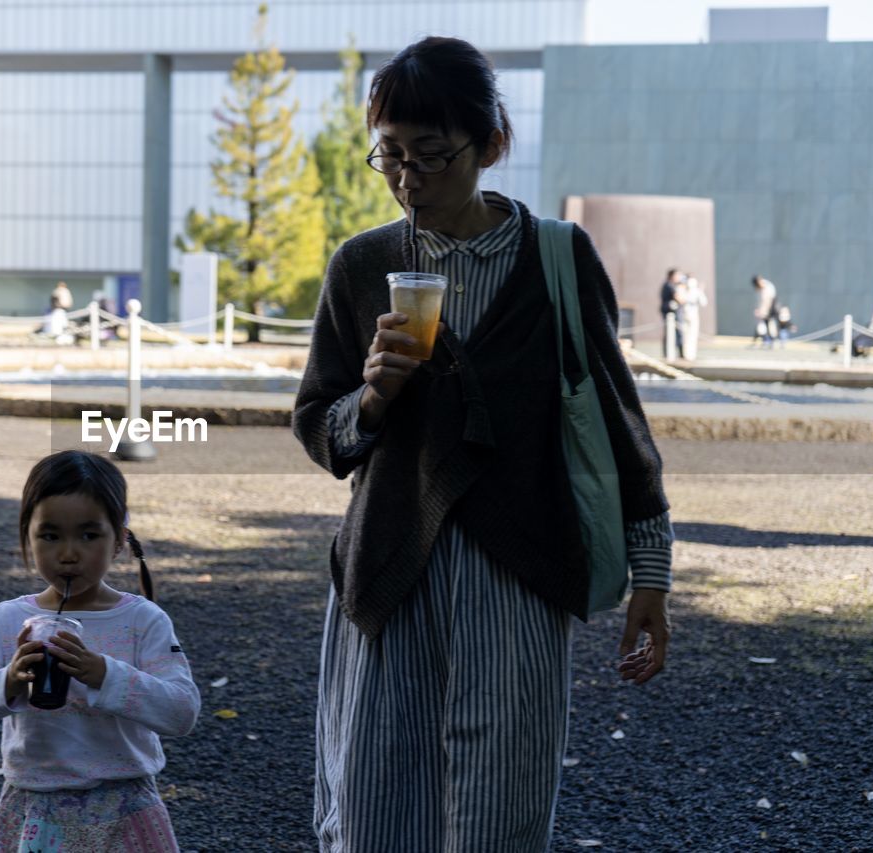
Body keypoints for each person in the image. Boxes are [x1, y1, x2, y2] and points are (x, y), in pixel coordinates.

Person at [292, 36, 672, 853]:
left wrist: (652, 570)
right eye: (388, 156)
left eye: (431, 155)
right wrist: (373, 396)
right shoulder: (362, 266)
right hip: (391, 578)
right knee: (379, 815)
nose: (407, 180)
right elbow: (320, 426)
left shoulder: (557, 259)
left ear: (491, 143)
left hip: (521, 579)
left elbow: (614, 417)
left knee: (501, 818)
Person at [0, 450, 199, 851]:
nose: (68, 553)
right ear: (27, 536)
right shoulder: (7, 620)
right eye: (50, 535)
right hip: (34, 808)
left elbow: (181, 712)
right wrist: (7, 682)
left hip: (124, 806)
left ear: (119, 542)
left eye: (89, 535)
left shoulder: (143, 620)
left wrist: (104, 674)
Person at [677, 272, 708, 361]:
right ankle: (690, 355)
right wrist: (701, 291)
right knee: (690, 335)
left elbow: (703, 302)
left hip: (686, 314)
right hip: (691, 315)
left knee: (687, 335)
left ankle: (688, 354)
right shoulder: (694, 290)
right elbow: (704, 302)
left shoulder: (684, 289)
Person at [659, 267, 685, 359]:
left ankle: (674, 353)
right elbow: (680, 299)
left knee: (673, 333)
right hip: (671, 313)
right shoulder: (669, 285)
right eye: (677, 275)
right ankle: (679, 354)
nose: (679, 277)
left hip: (670, 312)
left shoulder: (668, 285)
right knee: (676, 333)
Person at [752, 275, 778, 348]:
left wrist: (764, 311)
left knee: (770, 325)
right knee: (761, 326)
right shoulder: (760, 289)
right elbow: (760, 301)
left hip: (770, 310)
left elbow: (768, 300)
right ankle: (765, 341)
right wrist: (759, 310)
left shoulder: (768, 286)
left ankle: (770, 342)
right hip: (764, 311)